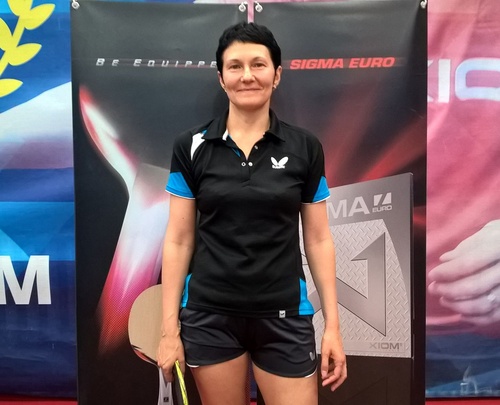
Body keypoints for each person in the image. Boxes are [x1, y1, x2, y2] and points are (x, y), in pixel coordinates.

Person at [157, 22, 347, 404]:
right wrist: (169, 330)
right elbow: (178, 240)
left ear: (276, 75)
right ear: (221, 78)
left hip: (284, 316)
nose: (247, 76)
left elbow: (318, 239)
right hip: (209, 317)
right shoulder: (190, 146)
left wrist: (333, 327)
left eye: (258, 65)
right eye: (235, 66)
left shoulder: (305, 147)